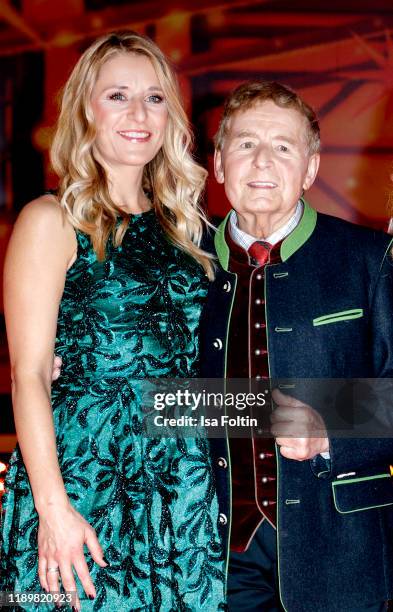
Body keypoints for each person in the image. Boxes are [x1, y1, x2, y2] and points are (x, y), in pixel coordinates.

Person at [0, 31, 226, 612]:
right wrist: (53, 510)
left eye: (154, 98)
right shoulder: (49, 220)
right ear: (85, 109)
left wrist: (337, 411)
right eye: (117, 95)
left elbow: (195, 381)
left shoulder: (190, 232)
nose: (138, 114)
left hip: (182, 487)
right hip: (82, 483)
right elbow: (28, 375)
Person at [199, 81, 393, 611]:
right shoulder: (182, 267)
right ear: (218, 163)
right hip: (214, 559)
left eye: (282, 147)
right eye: (244, 144)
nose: (262, 161)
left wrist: (330, 425)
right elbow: (150, 391)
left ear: (309, 169)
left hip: (342, 553)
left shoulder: (371, 260)